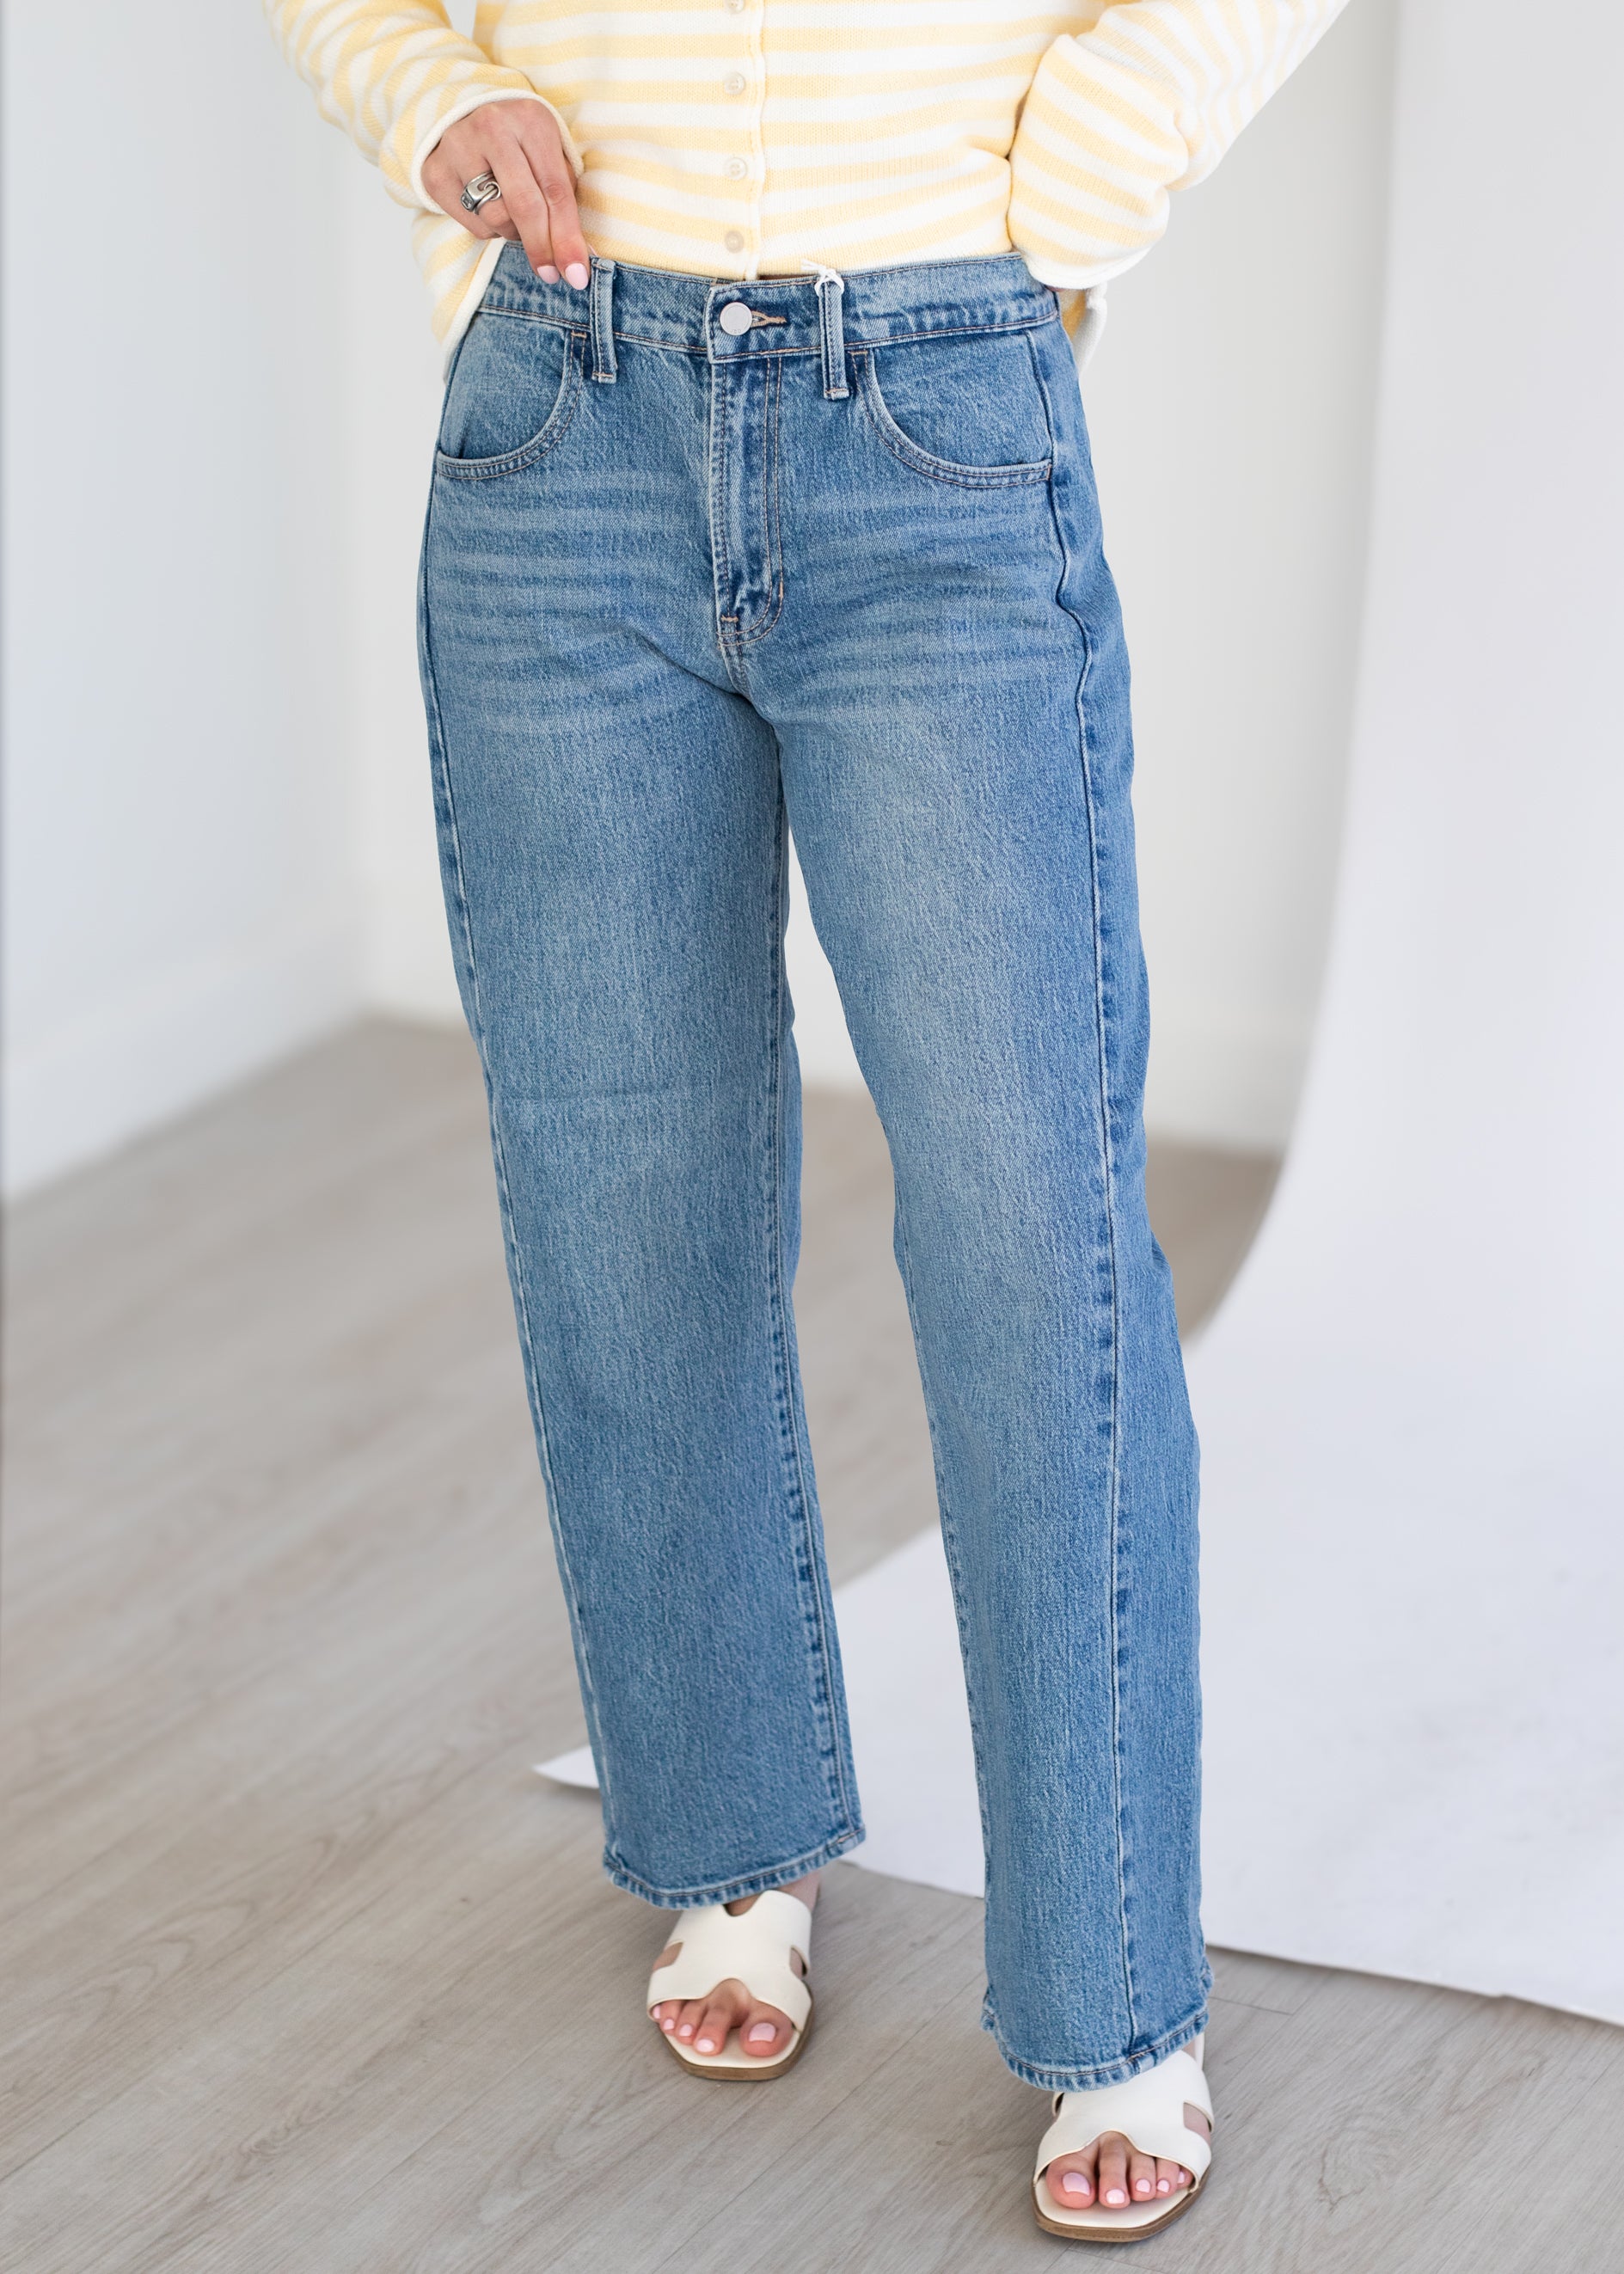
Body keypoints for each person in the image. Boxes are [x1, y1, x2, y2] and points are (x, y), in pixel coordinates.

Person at [270, 0, 1346, 2239]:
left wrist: (1114, 121)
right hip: (560, 417)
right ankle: (730, 1839)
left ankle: (1112, 1994)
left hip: (932, 408)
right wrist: (422, 83)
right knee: (622, 1207)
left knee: (1021, 1243)